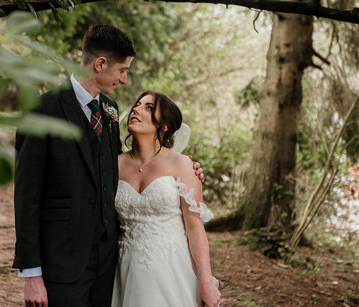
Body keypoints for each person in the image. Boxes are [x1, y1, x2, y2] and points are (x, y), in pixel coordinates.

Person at [13, 25, 204, 307]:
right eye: (122, 70)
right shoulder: (43, 109)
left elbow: (116, 169)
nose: (125, 79)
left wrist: (185, 169)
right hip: (62, 263)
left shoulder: (110, 111)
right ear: (100, 64)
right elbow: (26, 195)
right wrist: (31, 274)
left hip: (109, 267)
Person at [111, 91, 221, 307]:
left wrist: (206, 282)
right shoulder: (113, 165)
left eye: (149, 107)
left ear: (165, 126)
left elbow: (194, 227)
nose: (136, 109)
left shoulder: (183, 165)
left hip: (172, 268)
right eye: (137, 104)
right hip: (123, 267)